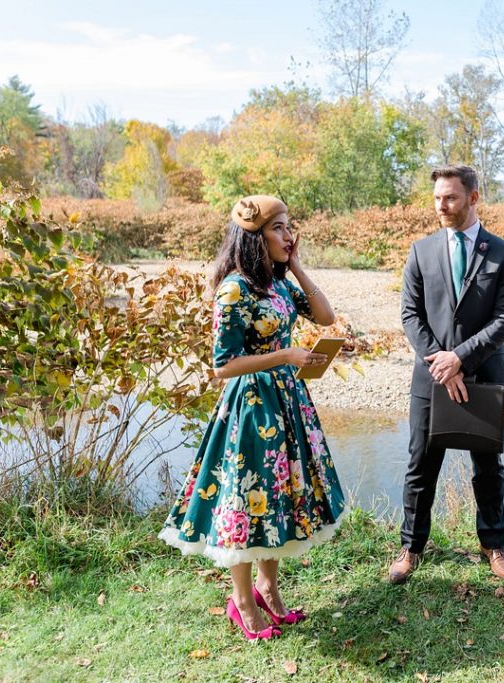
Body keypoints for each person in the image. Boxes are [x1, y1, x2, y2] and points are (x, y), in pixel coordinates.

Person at [159, 195, 347, 641]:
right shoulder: (235, 289)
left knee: (275, 497)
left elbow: (325, 316)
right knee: (246, 499)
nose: (288, 234)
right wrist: (284, 354)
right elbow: (222, 365)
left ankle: (269, 590)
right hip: (250, 408)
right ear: (253, 237)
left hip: (285, 402)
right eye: (279, 228)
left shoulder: (278, 285)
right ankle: (241, 601)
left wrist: (296, 266)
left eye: (288, 226)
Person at [389, 165, 504, 584]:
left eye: (450, 198)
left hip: (484, 375)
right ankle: (411, 546)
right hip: (430, 380)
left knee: (488, 467)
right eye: (436, 198)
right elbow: (410, 315)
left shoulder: (503, 253)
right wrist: (441, 364)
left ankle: (494, 545)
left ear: (473, 198)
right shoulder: (420, 251)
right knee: (419, 466)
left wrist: (460, 360)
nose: (441, 206)